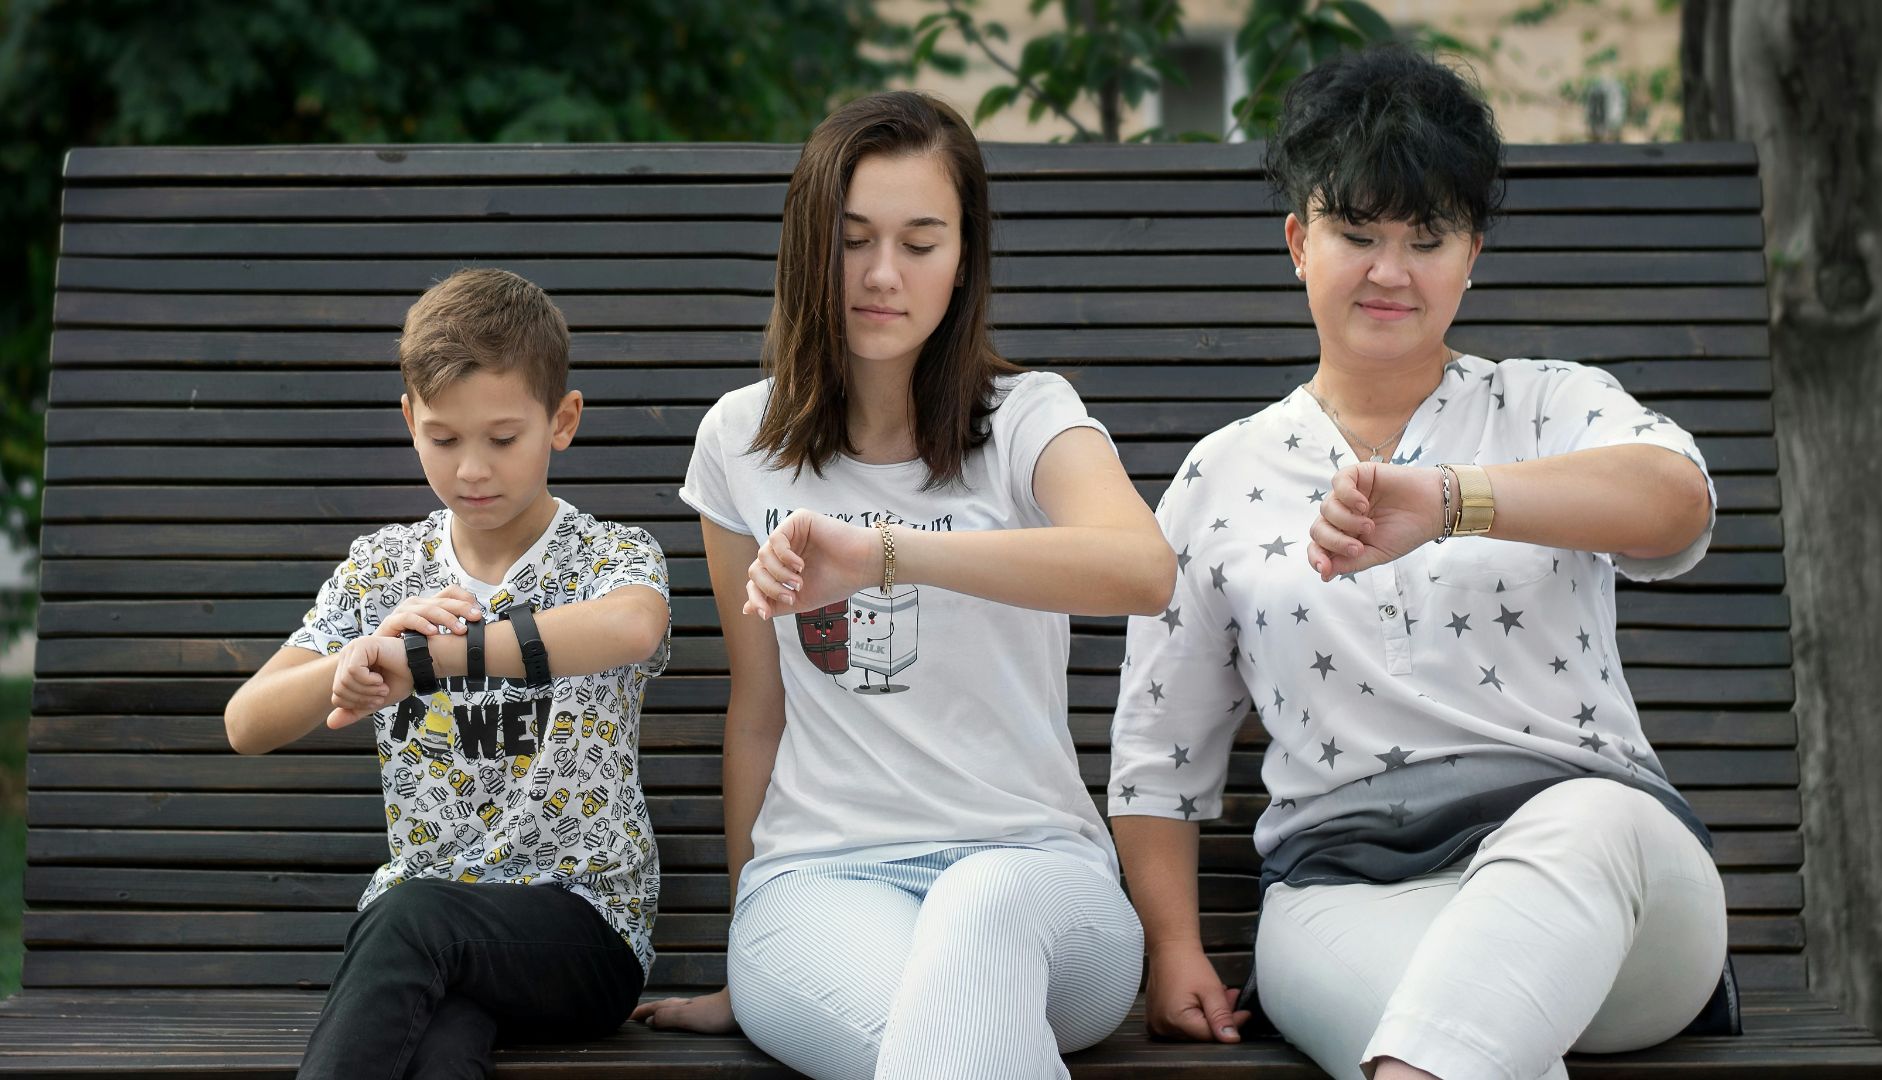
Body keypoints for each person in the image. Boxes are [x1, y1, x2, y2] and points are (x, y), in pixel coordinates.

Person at [1106, 46, 1732, 1080]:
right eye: (1357, 233)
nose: (1390, 271)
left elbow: (1678, 503)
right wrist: (1174, 947)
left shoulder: (1550, 405)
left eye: (1426, 238)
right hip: (1347, 898)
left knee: (1585, 825)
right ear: (1299, 241)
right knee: (1441, 1045)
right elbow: (1159, 754)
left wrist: (1453, 501)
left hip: (1617, 893)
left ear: (1471, 254)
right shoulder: (1220, 477)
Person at [634, 91, 1173, 1080]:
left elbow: (1142, 567)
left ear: (964, 257)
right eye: (852, 241)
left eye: (921, 242)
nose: (883, 275)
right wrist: (759, 954)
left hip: (1040, 880)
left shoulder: (1028, 419)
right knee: (930, 1046)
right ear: (808, 248)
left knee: (976, 911)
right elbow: (758, 710)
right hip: (821, 884)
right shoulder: (739, 442)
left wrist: (885, 553)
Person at [223, 268, 672, 1079]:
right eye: (443, 438)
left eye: (503, 439)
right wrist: (351, 663)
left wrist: (424, 660)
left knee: (411, 917)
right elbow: (246, 722)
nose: (472, 469)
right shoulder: (384, 568)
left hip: (584, 928)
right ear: (409, 420)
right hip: (432, 940)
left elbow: (633, 628)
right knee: (437, 1045)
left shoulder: (612, 555)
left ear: (561, 421)